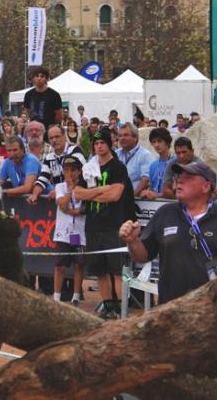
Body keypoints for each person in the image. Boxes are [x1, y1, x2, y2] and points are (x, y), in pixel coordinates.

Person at [119, 161, 217, 306]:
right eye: (179, 176)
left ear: (206, 186)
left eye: (189, 177)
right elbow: (143, 256)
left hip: (214, 311)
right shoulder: (165, 213)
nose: (179, 180)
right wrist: (133, 241)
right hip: (170, 310)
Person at [73, 128, 136, 320]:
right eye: (96, 143)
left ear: (109, 144)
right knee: (99, 270)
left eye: (103, 143)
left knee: (117, 271)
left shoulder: (118, 167)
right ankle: (108, 305)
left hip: (114, 224)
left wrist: (93, 193)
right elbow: (78, 193)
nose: (99, 146)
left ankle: (122, 307)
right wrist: (101, 190)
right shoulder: (90, 168)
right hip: (93, 224)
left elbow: (115, 195)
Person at [52, 155, 87, 306]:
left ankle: (76, 296)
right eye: (66, 170)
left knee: (79, 264)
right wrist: (69, 190)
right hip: (63, 233)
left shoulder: (85, 188)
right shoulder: (59, 187)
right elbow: (62, 204)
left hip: (80, 231)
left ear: (79, 171)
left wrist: (69, 210)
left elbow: (83, 210)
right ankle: (57, 297)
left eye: (73, 170)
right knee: (60, 265)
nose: (69, 173)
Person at [116, 122, 155, 197]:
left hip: (135, 199)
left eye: (126, 135)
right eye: (120, 136)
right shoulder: (116, 154)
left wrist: (132, 197)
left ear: (135, 137)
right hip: (116, 198)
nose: (122, 138)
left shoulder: (145, 155)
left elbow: (146, 180)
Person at [143, 127, 173, 199]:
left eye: (159, 141)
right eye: (153, 142)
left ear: (167, 142)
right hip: (155, 205)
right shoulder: (153, 165)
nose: (156, 145)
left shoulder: (175, 162)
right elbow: (152, 188)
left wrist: (157, 195)